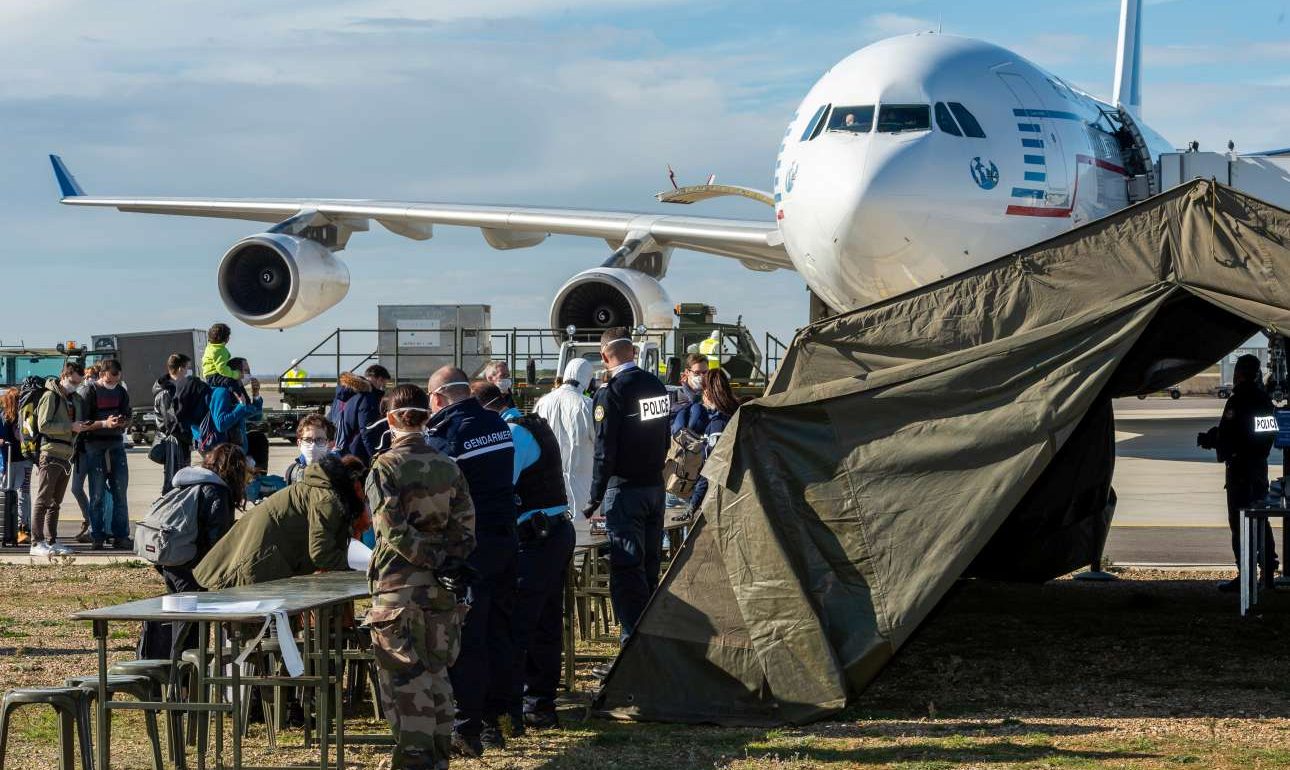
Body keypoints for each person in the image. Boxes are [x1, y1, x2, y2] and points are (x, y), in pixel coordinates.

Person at [365, 384, 476, 770]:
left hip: (398, 589)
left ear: (392, 419)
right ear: (426, 418)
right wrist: (445, 561)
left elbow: (392, 531)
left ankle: (414, 762)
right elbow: (465, 532)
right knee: (437, 675)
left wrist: (426, 559)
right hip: (441, 589)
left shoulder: (385, 467)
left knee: (404, 683)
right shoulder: (449, 466)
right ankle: (439, 758)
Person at [425, 366, 516, 755]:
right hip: (506, 541)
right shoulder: (497, 423)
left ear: (439, 398)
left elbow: (439, 494)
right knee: (501, 632)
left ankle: (469, 727)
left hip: (471, 547)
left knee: (470, 639)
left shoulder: (449, 434)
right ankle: (499, 718)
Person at [476, 382, 576, 730]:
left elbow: (503, 486)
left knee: (518, 627)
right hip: (552, 532)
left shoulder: (513, 434)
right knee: (545, 626)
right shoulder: (534, 424)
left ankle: (513, 711)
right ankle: (540, 707)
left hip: (536, 538)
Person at [583, 327, 670, 641]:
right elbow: (665, 436)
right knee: (649, 567)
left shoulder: (611, 393)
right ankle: (652, 637)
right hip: (654, 489)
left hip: (625, 491)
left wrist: (593, 498)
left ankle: (632, 647)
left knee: (627, 570)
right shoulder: (656, 385)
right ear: (633, 351)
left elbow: (604, 451)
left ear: (605, 356)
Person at [139, 444, 248, 659]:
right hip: (193, 568)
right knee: (193, 632)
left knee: (179, 625)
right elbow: (218, 542)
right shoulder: (217, 491)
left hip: (170, 562)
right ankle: (188, 680)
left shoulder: (186, 483)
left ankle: (177, 680)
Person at [194, 453, 366, 590]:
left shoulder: (321, 490)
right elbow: (321, 552)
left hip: (268, 558)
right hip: (261, 562)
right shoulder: (327, 499)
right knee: (258, 629)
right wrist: (358, 569)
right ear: (355, 485)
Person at [1199, 353, 1279, 591]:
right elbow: (1266, 436)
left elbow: (1234, 434)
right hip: (1257, 469)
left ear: (1241, 373)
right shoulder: (1264, 401)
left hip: (1241, 470)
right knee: (1260, 520)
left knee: (1240, 522)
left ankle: (1245, 575)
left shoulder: (1240, 399)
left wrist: (1215, 441)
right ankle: (1268, 571)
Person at [30, 362, 91, 557]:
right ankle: (36, 542)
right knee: (43, 500)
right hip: (51, 453)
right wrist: (70, 427)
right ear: (64, 376)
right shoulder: (50, 396)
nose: (75, 385)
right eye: (73, 381)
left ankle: (51, 541)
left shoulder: (72, 399)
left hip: (66, 455)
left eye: (78, 383)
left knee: (55, 503)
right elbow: (44, 425)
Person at [533, 358, 595, 537]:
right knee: (584, 537)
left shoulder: (543, 402)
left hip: (550, 483)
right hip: (583, 482)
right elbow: (600, 443)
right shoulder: (586, 404)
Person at [81, 359, 133, 550]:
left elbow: (128, 414)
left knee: (120, 492)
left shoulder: (121, 391)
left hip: (116, 443)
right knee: (97, 493)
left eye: (117, 379)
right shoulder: (89, 392)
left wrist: (122, 422)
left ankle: (121, 535)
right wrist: (104, 423)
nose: (114, 383)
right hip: (95, 445)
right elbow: (82, 423)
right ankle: (97, 536)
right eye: (111, 379)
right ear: (103, 374)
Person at [674, 369, 740, 515]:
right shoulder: (736, 414)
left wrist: (694, 503)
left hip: (722, 497)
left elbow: (712, 467)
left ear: (707, 393)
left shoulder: (718, 424)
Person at [203, 357, 263, 458]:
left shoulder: (238, 391)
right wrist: (240, 407)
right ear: (235, 372)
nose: (249, 374)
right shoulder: (221, 392)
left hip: (237, 450)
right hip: (224, 453)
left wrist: (256, 395)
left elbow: (256, 417)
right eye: (246, 371)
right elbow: (221, 424)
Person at [332, 365, 390, 465]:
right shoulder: (367, 397)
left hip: (339, 450)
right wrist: (375, 457)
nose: (382, 389)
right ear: (379, 379)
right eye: (383, 385)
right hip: (358, 455)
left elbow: (332, 419)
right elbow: (368, 431)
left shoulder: (340, 396)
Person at [70, 364, 101, 543]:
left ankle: (94, 524)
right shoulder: (81, 394)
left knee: (97, 490)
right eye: (87, 376)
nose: (88, 379)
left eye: (91, 376)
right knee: (77, 488)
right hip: (81, 448)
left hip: (92, 447)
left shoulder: (92, 393)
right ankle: (89, 520)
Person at [155, 353, 193, 494]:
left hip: (181, 439)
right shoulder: (166, 393)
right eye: (187, 368)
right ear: (179, 369)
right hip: (174, 441)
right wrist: (189, 437)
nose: (188, 371)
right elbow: (171, 423)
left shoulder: (178, 388)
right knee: (173, 481)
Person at [0, 388, 32, 544]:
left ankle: (21, 528)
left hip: (15, 460)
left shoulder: (17, 417)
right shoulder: (9, 417)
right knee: (20, 494)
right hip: (14, 460)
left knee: (18, 493)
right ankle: (19, 528)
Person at [284, 414, 337, 485]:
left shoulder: (338, 474)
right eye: (307, 440)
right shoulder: (293, 472)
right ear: (299, 444)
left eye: (320, 440)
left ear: (331, 444)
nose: (313, 446)